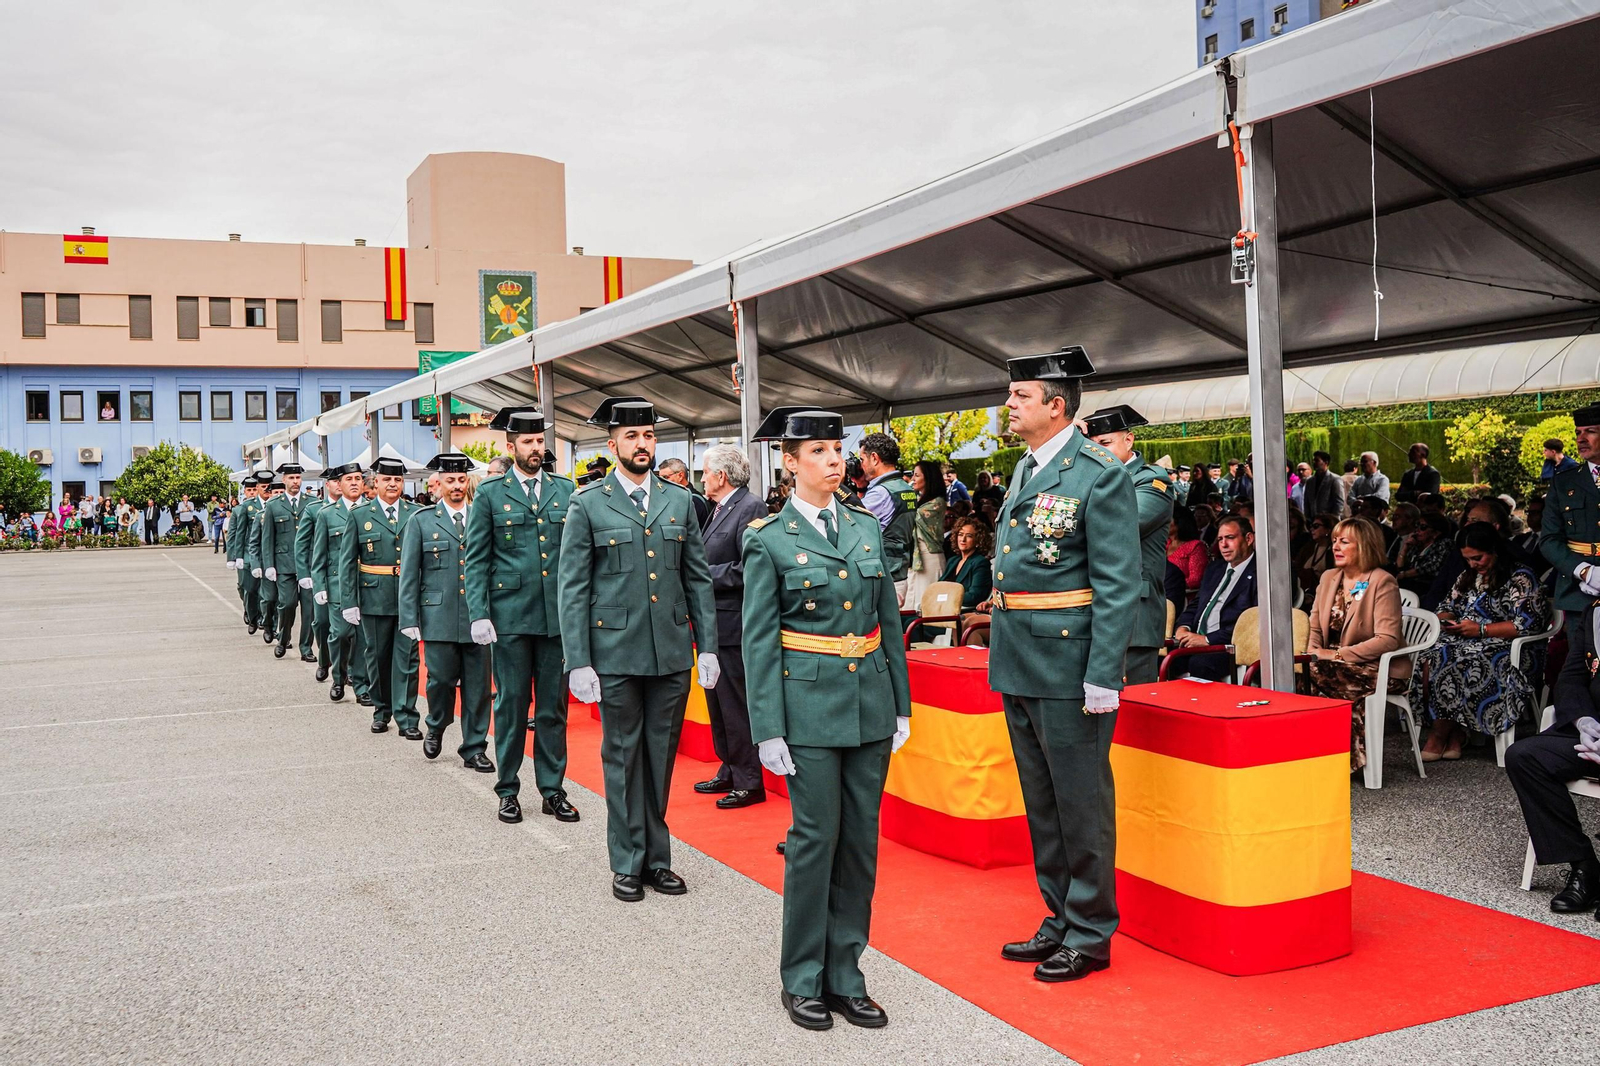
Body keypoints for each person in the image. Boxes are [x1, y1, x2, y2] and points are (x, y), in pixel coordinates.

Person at [741, 407, 911, 1030]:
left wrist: (900, 704)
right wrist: (767, 727)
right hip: (807, 708)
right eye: (817, 451)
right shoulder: (768, 538)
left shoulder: (863, 525)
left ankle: (846, 974)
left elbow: (886, 620)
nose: (834, 459)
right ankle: (802, 976)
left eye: (837, 448)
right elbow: (759, 640)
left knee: (860, 843)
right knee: (815, 841)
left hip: (869, 704)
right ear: (790, 463)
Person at [987, 346, 1137, 985]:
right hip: (1019, 655)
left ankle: (1092, 932)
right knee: (1043, 803)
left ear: (1056, 406)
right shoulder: (1027, 467)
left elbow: (1118, 583)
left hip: (1070, 662)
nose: (1010, 404)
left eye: (1020, 395)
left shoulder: (1099, 474)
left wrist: (1103, 673)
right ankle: (1060, 917)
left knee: (1081, 803)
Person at [558, 397, 717, 903]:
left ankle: (657, 859)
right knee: (624, 758)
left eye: (648, 435)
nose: (642, 443)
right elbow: (573, 586)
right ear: (613, 445)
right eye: (631, 436)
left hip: (670, 651)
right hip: (615, 653)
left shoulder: (679, 500)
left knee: (660, 758)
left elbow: (697, 578)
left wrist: (708, 647)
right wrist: (579, 660)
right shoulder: (588, 503)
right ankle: (628, 861)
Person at [464, 407, 578, 825]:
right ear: (511, 447)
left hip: (555, 619)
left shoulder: (565, 490)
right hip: (510, 618)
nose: (536, 448)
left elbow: (576, 558)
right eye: (528, 442)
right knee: (511, 706)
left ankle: (552, 789)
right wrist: (479, 613)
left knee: (553, 709)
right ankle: (508, 790)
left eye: (540, 441)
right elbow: (477, 558)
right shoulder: (491, 493)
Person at [1412, 524, 1551, 761]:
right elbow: (1447, 606)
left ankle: (1439, 734)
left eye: (1477, 558)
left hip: (1511, 646)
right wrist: (1447, 621)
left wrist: (1482, 630)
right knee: (1432, 653)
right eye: (1467, 559)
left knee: (1460, 659)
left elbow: (1528, 624)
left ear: (1495, 550)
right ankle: (1455, 733)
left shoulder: (1521, 577)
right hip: (1466, 638)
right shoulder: (1468, 576)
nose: (1472, 564)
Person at [398, 453, 494, 774]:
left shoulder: (482, 516)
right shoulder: (422, 521)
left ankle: (474, 747)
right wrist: (409, 618)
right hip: (438, 616)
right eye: (450, 480)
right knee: (439, 680)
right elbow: (410, 573)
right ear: (438, 483)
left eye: (461, 480)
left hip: (477, 615)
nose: (456, 486)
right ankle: (436, 725)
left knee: (478, 687)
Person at [1505, 601, 1600, 917]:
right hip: (1593, 733)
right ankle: (1584, 865)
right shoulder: (1595, 611)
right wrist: (1584, 721)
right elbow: (1571, 678)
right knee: (1525, 757)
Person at [692, 441, 770, 809]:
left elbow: (750, 567)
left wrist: (701, 575)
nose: (702, 479)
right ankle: (730, 767)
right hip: (714, 625)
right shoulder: (719, 507)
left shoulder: (751, 507)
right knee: (718, 705)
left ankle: (749, 780)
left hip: (734, 624)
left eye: (706, 472)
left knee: (735, 706)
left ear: (721, 476)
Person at [1306, 517, 1405, 773]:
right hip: (1329, 665)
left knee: (1314, 678)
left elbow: (1388, 639)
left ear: (1364, 545)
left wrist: (1336, 654)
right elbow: (1314, 625)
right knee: (1301, 675)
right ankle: (1320, 756)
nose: (1335, 547)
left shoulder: (1382, 581)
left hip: (1376, 668)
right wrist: (1313, 652)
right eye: (1334, 541)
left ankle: (1339, 760)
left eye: (1344, 542)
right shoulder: (1329, 577)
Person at [1085, 404, 1175, 685]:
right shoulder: (1090, 479)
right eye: (1091, 446)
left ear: (1129, 440)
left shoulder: (1152, 479)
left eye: (1105, 443)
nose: (1098, 452)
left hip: (1134, 613)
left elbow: (1120, 526)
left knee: (1133, 703)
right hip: (1091, 609)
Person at [338, 456, 421, 738]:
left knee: (408, 659)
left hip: (408, 598)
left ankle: (407, 717)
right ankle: (382, 711)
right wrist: (349, 601)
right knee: (377, 657)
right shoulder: (360, 515)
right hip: (374, 596)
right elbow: (347, 562)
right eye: (387, 479)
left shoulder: (416, 513)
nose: (392, 484)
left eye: (397, 479)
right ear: (376, 482)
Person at [1170, 516, 1260, 680]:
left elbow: (1253, 623)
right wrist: (1183, 627)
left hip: (1230, 645)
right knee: (1160, 658)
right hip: (1196, 641)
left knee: (1199, 663)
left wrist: (1207, 639)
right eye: (1220, 539)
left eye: (1230, 538)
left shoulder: (1261, 573)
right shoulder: (1215, 569)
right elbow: (1196, 604)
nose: (1223, 545)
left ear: (1248, 539)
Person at [1540, 404, 1600, 647]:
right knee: (1586, 664)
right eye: (1578, 433)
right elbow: (1549, 540)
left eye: (1590, 431)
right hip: (1579, 593)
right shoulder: (1563, 482)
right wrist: (1585, 572)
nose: (1581, 439)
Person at [311, 462, 370, 704]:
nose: (354, 483)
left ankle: (361, 685)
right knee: (341, 634)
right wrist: (319, 585)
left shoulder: (371, 510)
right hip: (337, 586)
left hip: (367, 585)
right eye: (349, 479)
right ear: (339, 484)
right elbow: (319, 554)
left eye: (358, 478)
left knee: (363, 637)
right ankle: (338, 677)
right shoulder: (327, 514)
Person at [259, 463, 317, 663]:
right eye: (291, 478)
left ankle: (306, 648)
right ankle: (283, 639)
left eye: (298, 478)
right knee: (287, 604)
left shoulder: (313, 503)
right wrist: (269, 565)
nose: (295, 481)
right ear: (284, 480)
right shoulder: (274, 505)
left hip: (308, 564)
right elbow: (268, 538)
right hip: (285, 565)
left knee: (309, 609)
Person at [858, 433, 918, 606]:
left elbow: (850, 522)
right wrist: (861, 487)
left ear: (874, 458)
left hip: (884, 574)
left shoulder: (880, 493)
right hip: (898, 569)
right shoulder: (904, 487)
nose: (860, 466)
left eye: (862, 460)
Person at [293, 475, 331, 682]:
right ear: (328, 484)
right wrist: (304, 573)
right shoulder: (315, 509)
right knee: (321, 620)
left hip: (353, 576)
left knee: (352, 628)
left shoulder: (362, 510)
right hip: (321, 573)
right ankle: (323, 658)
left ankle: (352, 672)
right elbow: (301, 544)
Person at [902, 460, 948, 608]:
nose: (913, 479)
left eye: (917, 475)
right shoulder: (919, 499)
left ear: (928, 477)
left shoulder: (937, 502)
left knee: (927, 604)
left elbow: (913, 516)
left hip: (930, 557)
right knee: (910, 602)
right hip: (916, 558)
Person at [940, 516, 994, 639]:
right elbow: (939, 588)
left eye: (969, 536)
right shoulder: (953, 561)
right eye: (960, 534)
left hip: (960, 613)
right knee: (906, 619)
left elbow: (975, 596)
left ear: (978, 540)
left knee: (913, 625)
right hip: (943, 611)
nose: (963, 539)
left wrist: (947, 598)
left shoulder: (980, 562)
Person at [233, 479, 267, 634]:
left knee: (262, 589)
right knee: (245, 587)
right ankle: (250, 610)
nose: (252, 492)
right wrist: (236, 556)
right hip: (248, 551)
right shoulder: (244, 507)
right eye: (249, 490)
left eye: (254, 489)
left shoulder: (270, 504)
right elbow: (237, 533)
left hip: (264, 552)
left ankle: (261, 617)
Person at [1394, 512, 1453, 596]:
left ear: (1436, 532)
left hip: (1428, 590)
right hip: (1409, 587)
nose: (1417, 530)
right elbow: (1400, 567)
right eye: (1417, 525)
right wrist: (1404, 549)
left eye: (1423, 527)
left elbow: (1433, 567)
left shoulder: (1444, 544)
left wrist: (1405, 574)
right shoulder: (1416, 545)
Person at [1166, 502, 1208, 592]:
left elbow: (1196, 580)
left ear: (1179, 523)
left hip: (1182, 595)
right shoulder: (1164, 544)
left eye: (1168, 520)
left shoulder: (1195, 546)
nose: (1164, 523)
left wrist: (1169, 584)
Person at [656, 456, 709, 528]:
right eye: (659, 479)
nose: (661, 482)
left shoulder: (692, 500)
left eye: (665, 477)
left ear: (680, 476)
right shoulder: (685, 498)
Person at [1302, 451, 1347, 519]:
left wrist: (1333, 518)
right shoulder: (1310, 481)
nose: (1314, 463)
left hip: (1329, 520)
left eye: (1317, 460)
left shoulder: (1334, 479)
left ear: (1326, 462)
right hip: (1313, 520)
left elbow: (1339, 502)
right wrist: (1308, 518)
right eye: (1314, 460)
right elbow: (1306, 502)